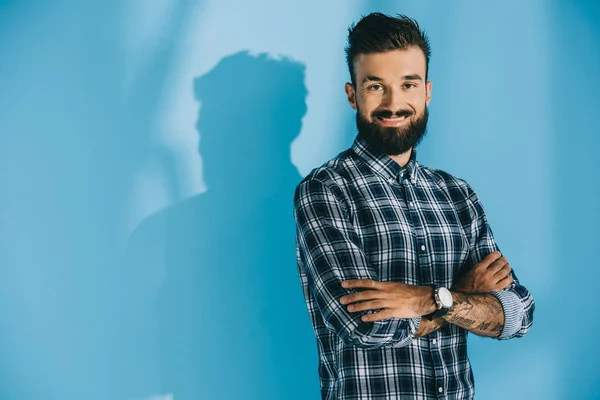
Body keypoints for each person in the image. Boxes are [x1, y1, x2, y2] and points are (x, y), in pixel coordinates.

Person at [293, 13, 535, 400]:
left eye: (408, 84)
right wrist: (460, 295)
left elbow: (519, 313)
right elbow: (363, 326)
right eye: (376, 87)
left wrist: (430, 299)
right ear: (352, 94)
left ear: (427, 92)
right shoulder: (326, 190)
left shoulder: (458, 195)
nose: (394, 103)